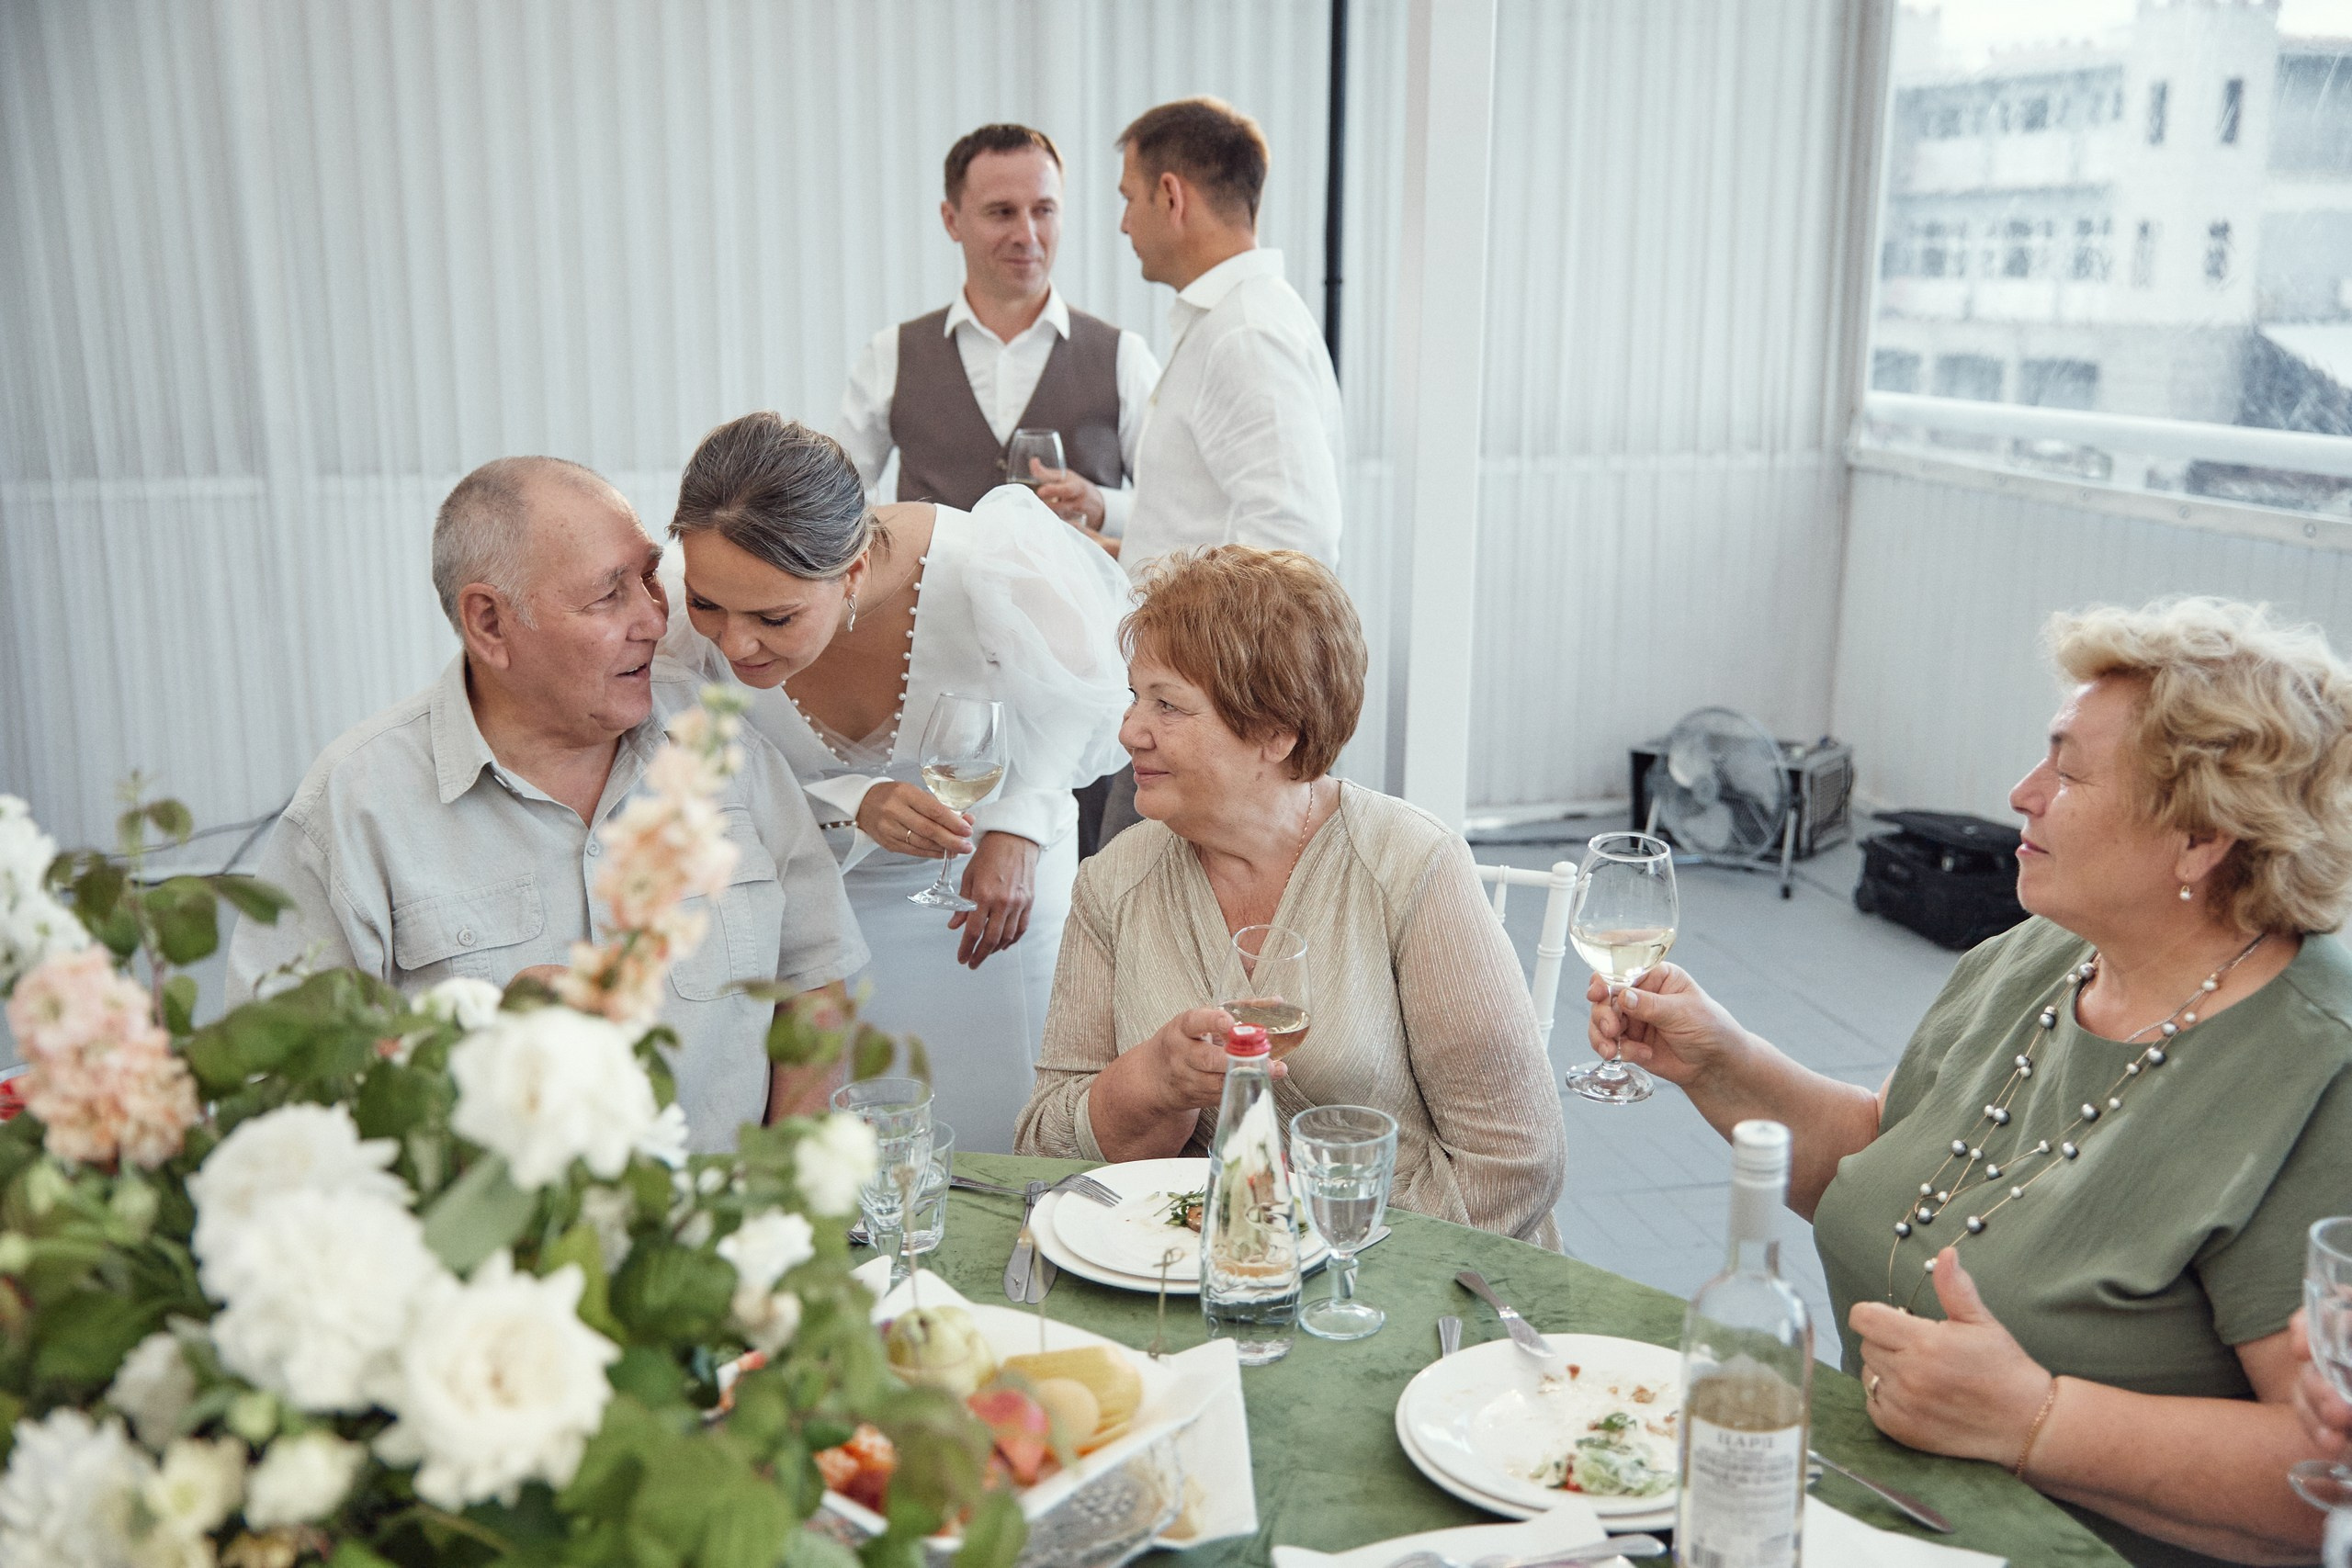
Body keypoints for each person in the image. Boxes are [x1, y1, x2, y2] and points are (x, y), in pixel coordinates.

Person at [1584, 598, 2352, 1566]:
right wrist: (1720, 1064)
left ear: (2201, 838)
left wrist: (2036, 1420)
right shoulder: (2039, 954)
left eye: (2069, 772)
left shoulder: (2318, 1069)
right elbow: (1890, 1169)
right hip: (1880, 1519)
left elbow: (2322, 1485)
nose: (2023, 791)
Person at [226, 457, 866, 1153]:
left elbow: (815, 984)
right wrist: (475, 1051)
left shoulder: (723, 748)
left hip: (716, 1251)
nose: (656, 618)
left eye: (650, 576)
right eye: (607, 596)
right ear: (490, 623)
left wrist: (787, 1204)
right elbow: (275, 1083)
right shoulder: (353, 808)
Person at [1015, 547, 1566, 1247]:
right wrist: (1152, 1080)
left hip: (1410, 1280)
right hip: (1190, 1274)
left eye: (1167, 705)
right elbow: (1041, 1150)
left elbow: (1514, 1162)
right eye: (1133, 695)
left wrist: (1312, 1252)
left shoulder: (1409, 863)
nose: (1129, 730)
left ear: (1275, 733)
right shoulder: (1113, 882)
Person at [660, 413, 1127, 1154]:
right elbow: (694, 768)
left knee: (1016, 1126)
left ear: (851, 573)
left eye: (775, 617)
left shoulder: (989, 565)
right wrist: (850, 801)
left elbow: (1088, 697)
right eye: (707, 604)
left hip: (995, 899)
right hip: (828, 913)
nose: (734, 643)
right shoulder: (692, 613)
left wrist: (1019, 824)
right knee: (858, 1142)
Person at [837, 121, 1159, 859]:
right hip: (931, 683)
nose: (1026, 232)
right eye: (1000, 212)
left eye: (1043, 209)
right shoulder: (892, 356)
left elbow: (1174, 513)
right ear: (952, 218)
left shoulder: (1123, 357)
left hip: (1076, 684)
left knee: (1082, 876)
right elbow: (836, 508)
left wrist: (1103, 503)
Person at [1112, 97, 1345, 578]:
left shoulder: (1244, 334)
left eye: (1129, 198)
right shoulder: (1231, 322)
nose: (1124, 223)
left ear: (1171, 196)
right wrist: (1124, 552)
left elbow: (1295, 543)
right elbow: (1206, 521)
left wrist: (1193, 656)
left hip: (1199, 657)